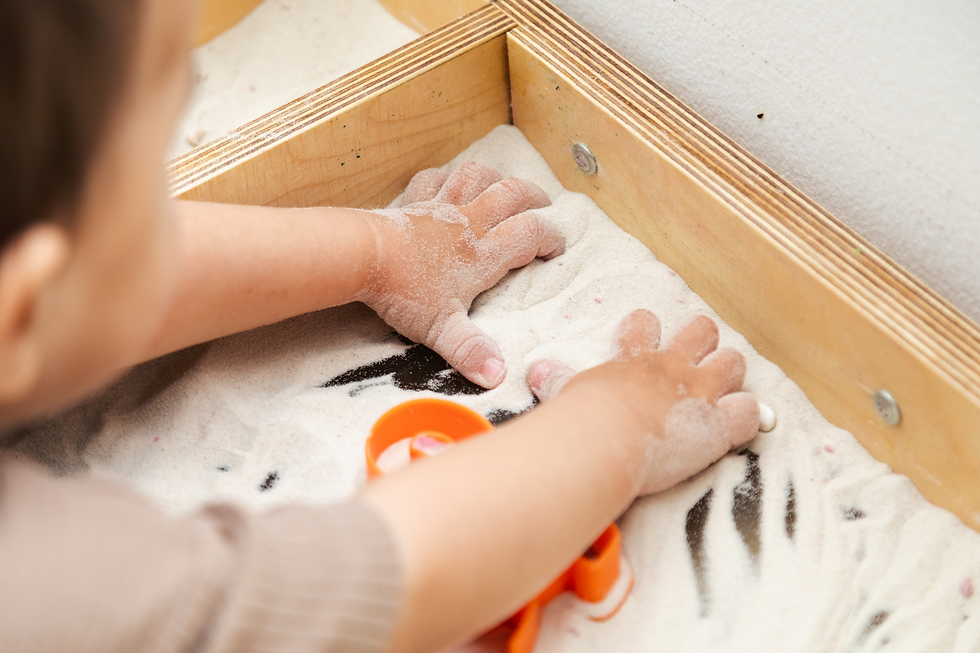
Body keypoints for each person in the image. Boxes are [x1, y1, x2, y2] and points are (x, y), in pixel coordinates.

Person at [0, 0, 761, 651]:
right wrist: (619, 425)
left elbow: (88, 275)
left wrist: (375, 251)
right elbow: (376, 581)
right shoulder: (43, 591)